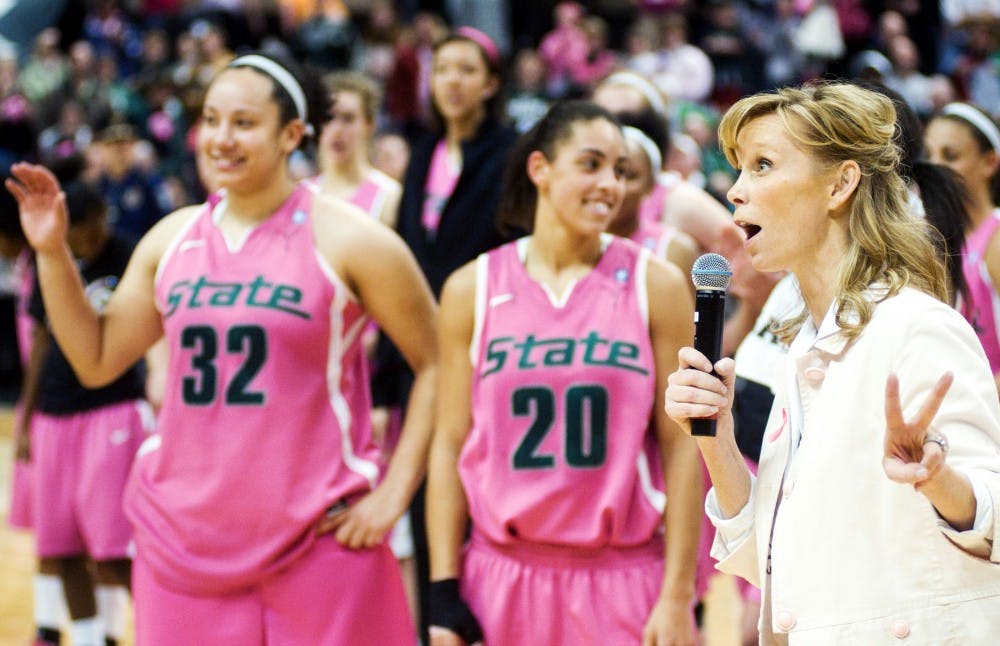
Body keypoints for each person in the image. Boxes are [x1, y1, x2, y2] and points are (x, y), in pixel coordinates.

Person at [8, 50, 438, 645]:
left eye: (243, 123)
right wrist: (53, 253)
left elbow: (438, 362)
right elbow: (97, 356)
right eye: (211, 120)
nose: (221, 138)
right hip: (186, 543)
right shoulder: (172, 237)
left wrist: (396, 493)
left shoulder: (352, 239)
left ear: (292, 134)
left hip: (319, 539)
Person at [665, 82, 1000, 643]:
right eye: (740, 169)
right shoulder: (803, 345)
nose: (738, 191)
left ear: (840, 184)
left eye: (763, 165)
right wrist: (715, 437)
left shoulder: (917, 327)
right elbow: (772, 566)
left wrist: (941, 481)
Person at [425, 100, 702, 646]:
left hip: (623, 575)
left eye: (620, 170)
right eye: (591, 164)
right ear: (540, 169)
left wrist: (677, 595)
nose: (610, 185)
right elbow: (450, 441)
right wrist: (441, 590)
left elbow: (682, 447)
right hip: (498, 574)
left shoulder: (658, 285)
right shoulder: (471, 288)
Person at [373, 27, 519, 637]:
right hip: (417, 357)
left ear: (490, 84)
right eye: (444, 69)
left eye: (466, 70)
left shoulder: (512, 153)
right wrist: (384, 383)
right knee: (423, 494)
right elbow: (399, 271)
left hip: (486, 352)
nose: (451, 81)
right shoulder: (421, 148)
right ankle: (438, 622)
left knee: (475, 488)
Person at [16, 180, 149, 646]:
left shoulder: (129, 254)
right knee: (60, 544)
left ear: (101, 220)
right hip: (54, 412)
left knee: (115, 549)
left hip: (111, 409)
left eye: (90, 227)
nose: (84, 239)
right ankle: (91, 639)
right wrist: (26, 416)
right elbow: (40, 338)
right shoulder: (49, 255)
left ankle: (158, 630)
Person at [924, 102, 1000, 390]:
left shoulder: (996, 239)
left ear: (989, 162)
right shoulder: (938, 240)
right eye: (930, 155)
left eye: (950, 155)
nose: (935, 167)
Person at [311, 71, 401, 228]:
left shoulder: (389, 196)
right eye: (328, 118)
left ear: (369, 125)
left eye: (348, 118)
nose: (336, 129)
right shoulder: (302, 193)